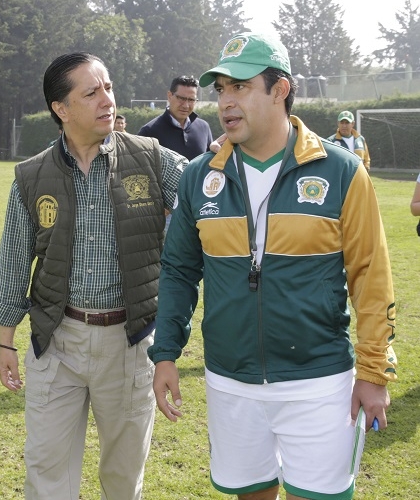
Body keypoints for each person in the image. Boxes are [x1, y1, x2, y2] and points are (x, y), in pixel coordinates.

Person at [150, 32, 397, 500]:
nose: (225, 102)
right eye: (220, 89)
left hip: (319, 383)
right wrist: (166, 351)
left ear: (280, 89)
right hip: (230, 380)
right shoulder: (200, 176)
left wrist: (372, 373)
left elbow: (371, 278)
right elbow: (179, 269)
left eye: (240, 87)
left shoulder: (342, 171)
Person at [0, 52, 187, 500]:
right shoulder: (31, 176)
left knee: (123, 477)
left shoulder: (154, 160)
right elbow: (14, 263)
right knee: (46, 474)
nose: (107, 101)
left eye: (109, 88)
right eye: (92, 92)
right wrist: (5, 341)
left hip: (130, 343)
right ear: (61, 108)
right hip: (56, 343)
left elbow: (208, 200)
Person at [137, 75, 221, 160]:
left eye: (191, 100)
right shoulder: (149, 132)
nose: (186, 105)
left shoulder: (203, 127)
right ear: (169, 96)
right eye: (181, 98)